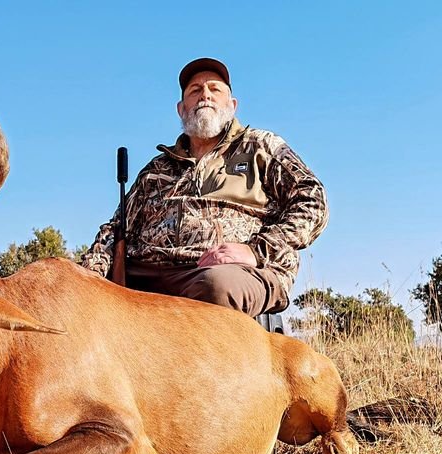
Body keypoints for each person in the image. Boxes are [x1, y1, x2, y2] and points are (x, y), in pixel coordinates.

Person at [81, 57, 328, 317]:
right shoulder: (155, 170)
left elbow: (313, 201)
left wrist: (256, 250)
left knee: (215, 287)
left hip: (229, 272)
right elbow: (115, 229)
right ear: (181, 108)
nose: (205, 96)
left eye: (215, 89)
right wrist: (85, 277)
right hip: (147, 274)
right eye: (195, 90)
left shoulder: (260, 146)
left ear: (232, 105)